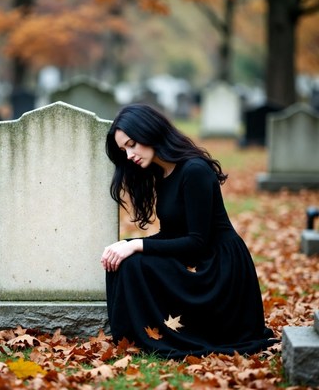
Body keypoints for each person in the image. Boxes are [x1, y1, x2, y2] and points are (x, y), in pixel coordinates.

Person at [101, 104, 277, 359]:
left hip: (220, 270)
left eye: (131, 144)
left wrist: (137, 245)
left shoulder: (194, 171)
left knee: (134, 258)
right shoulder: (161, 173)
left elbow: (197, 243)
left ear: (149, 132)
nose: (129, 155)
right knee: (124, 259)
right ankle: (132, 336)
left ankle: (150, 335)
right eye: (123, 150)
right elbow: (172, 235)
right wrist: (129, 243)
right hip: (200, 260)